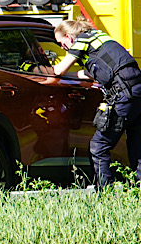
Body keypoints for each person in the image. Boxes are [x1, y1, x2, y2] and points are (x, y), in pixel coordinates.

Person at [52, 15, 141, 191]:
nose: (63, 48)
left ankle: (105, 192)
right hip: (136, 93)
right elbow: (89, 74)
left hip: (124, 96)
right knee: (137, 146)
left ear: (69, 37)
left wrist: (35, 68)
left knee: (98, 146)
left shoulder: (81, 40)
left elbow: (59, 70)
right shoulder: (98, 39)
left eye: (62, 44)